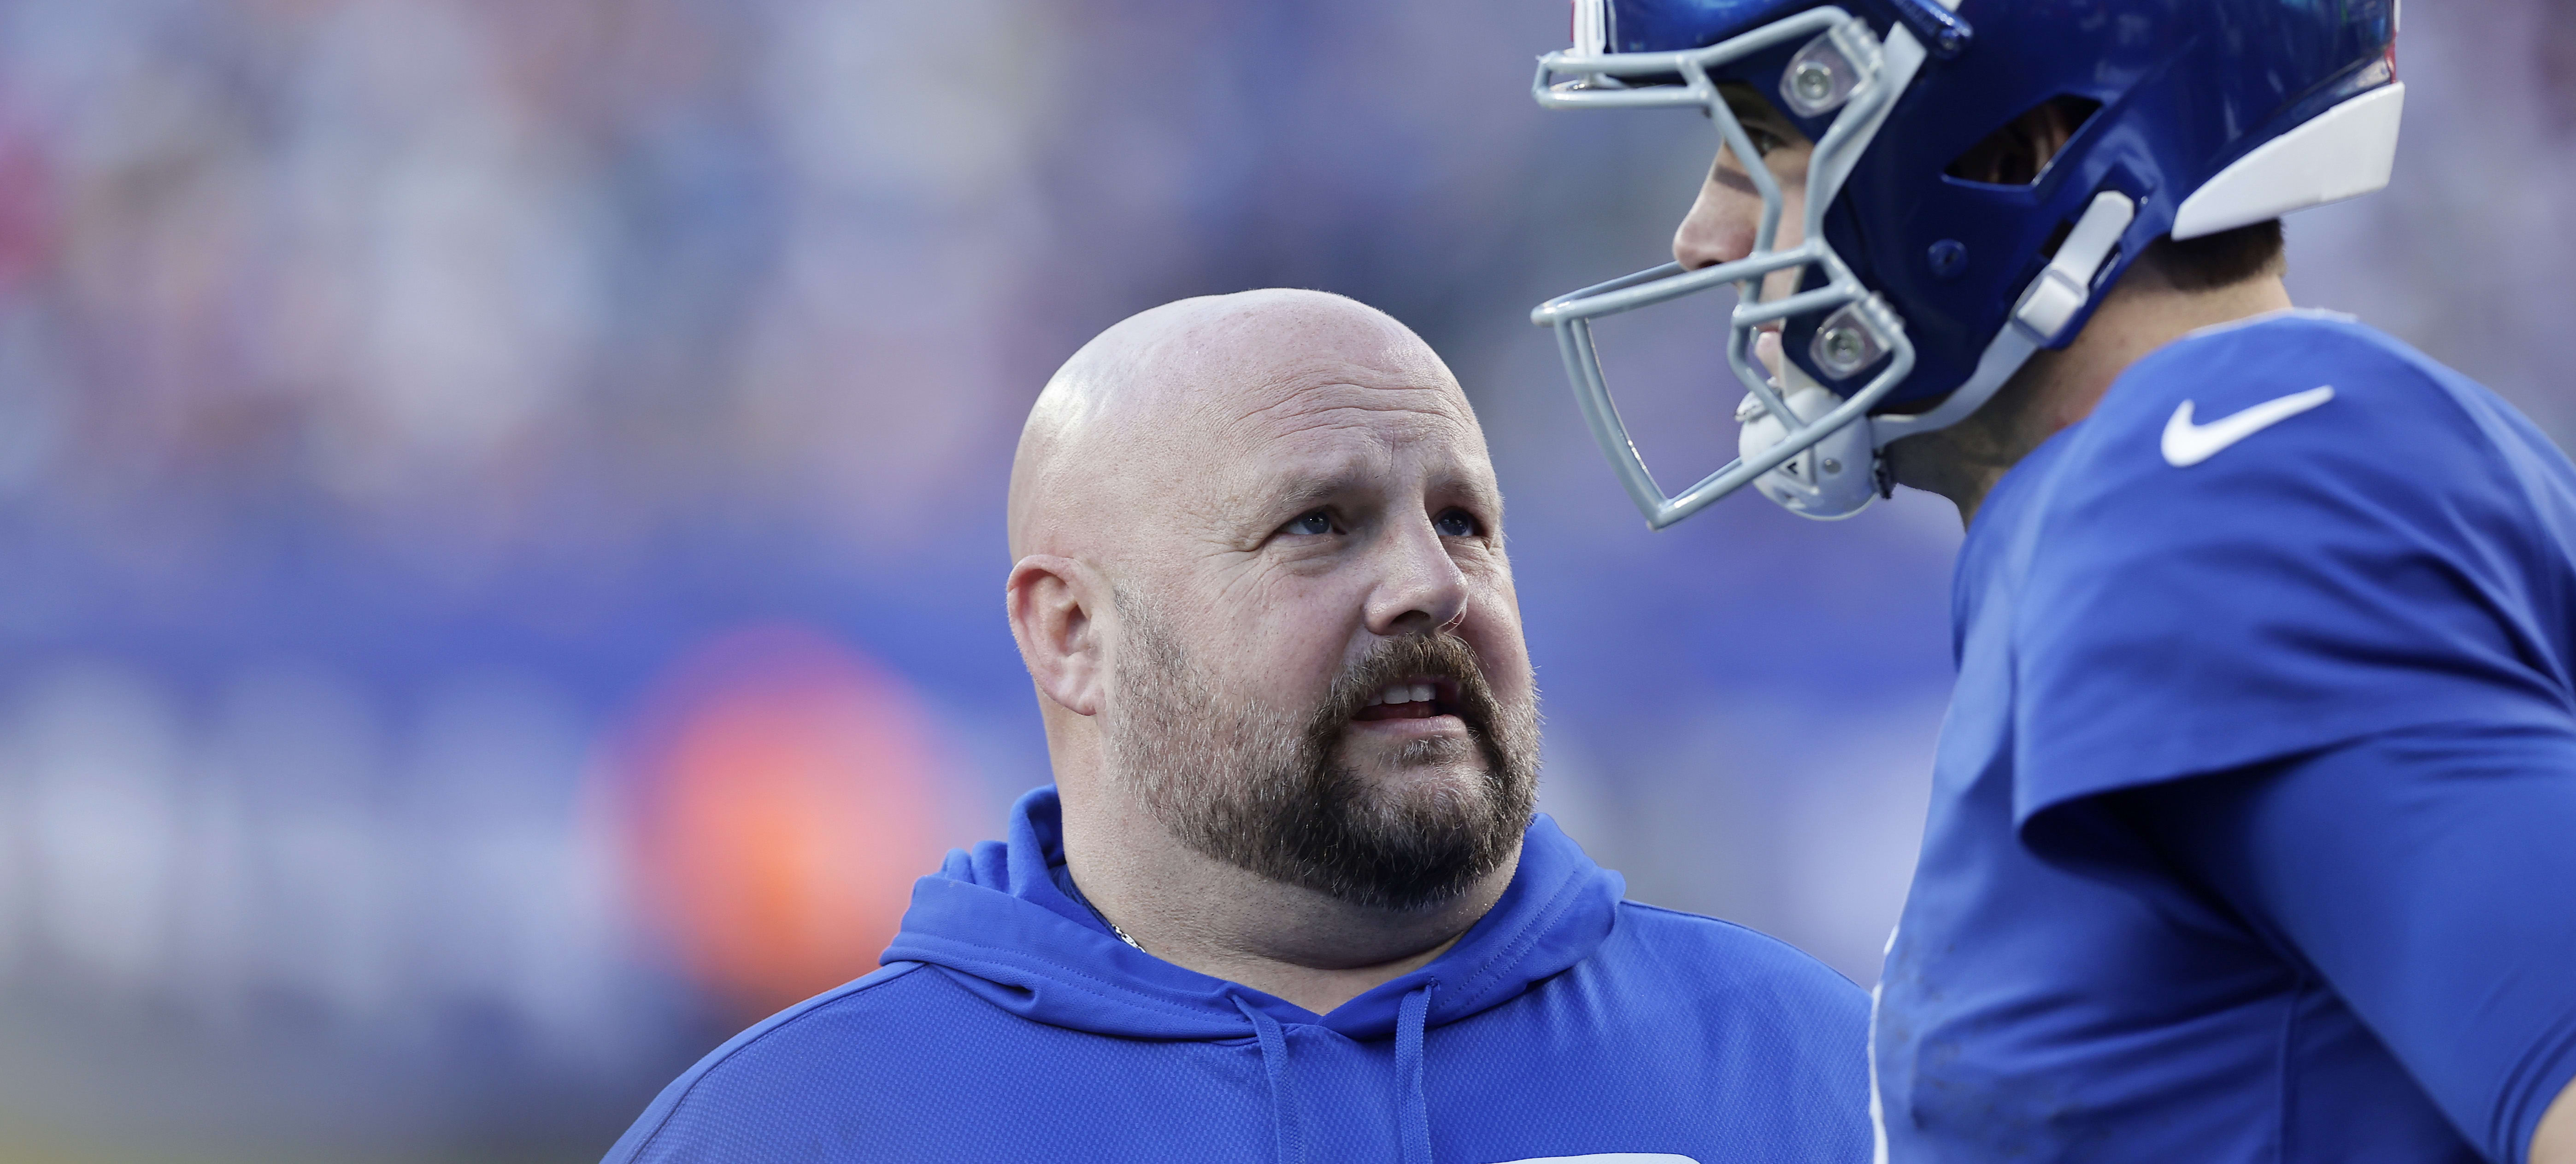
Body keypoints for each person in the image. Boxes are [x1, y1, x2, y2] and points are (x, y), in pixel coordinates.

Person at [1524, 0, 2576, 1164]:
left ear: (2031, 133)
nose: (1702, 235)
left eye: (1764, 143)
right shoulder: (2197, 496)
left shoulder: (2212, 493)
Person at [604, 288, 1877, 1164]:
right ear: (1071, 636)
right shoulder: (798, 1130)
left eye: (1465, 521)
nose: (1430, 583)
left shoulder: (1825, 1078)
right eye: (1318, 523)